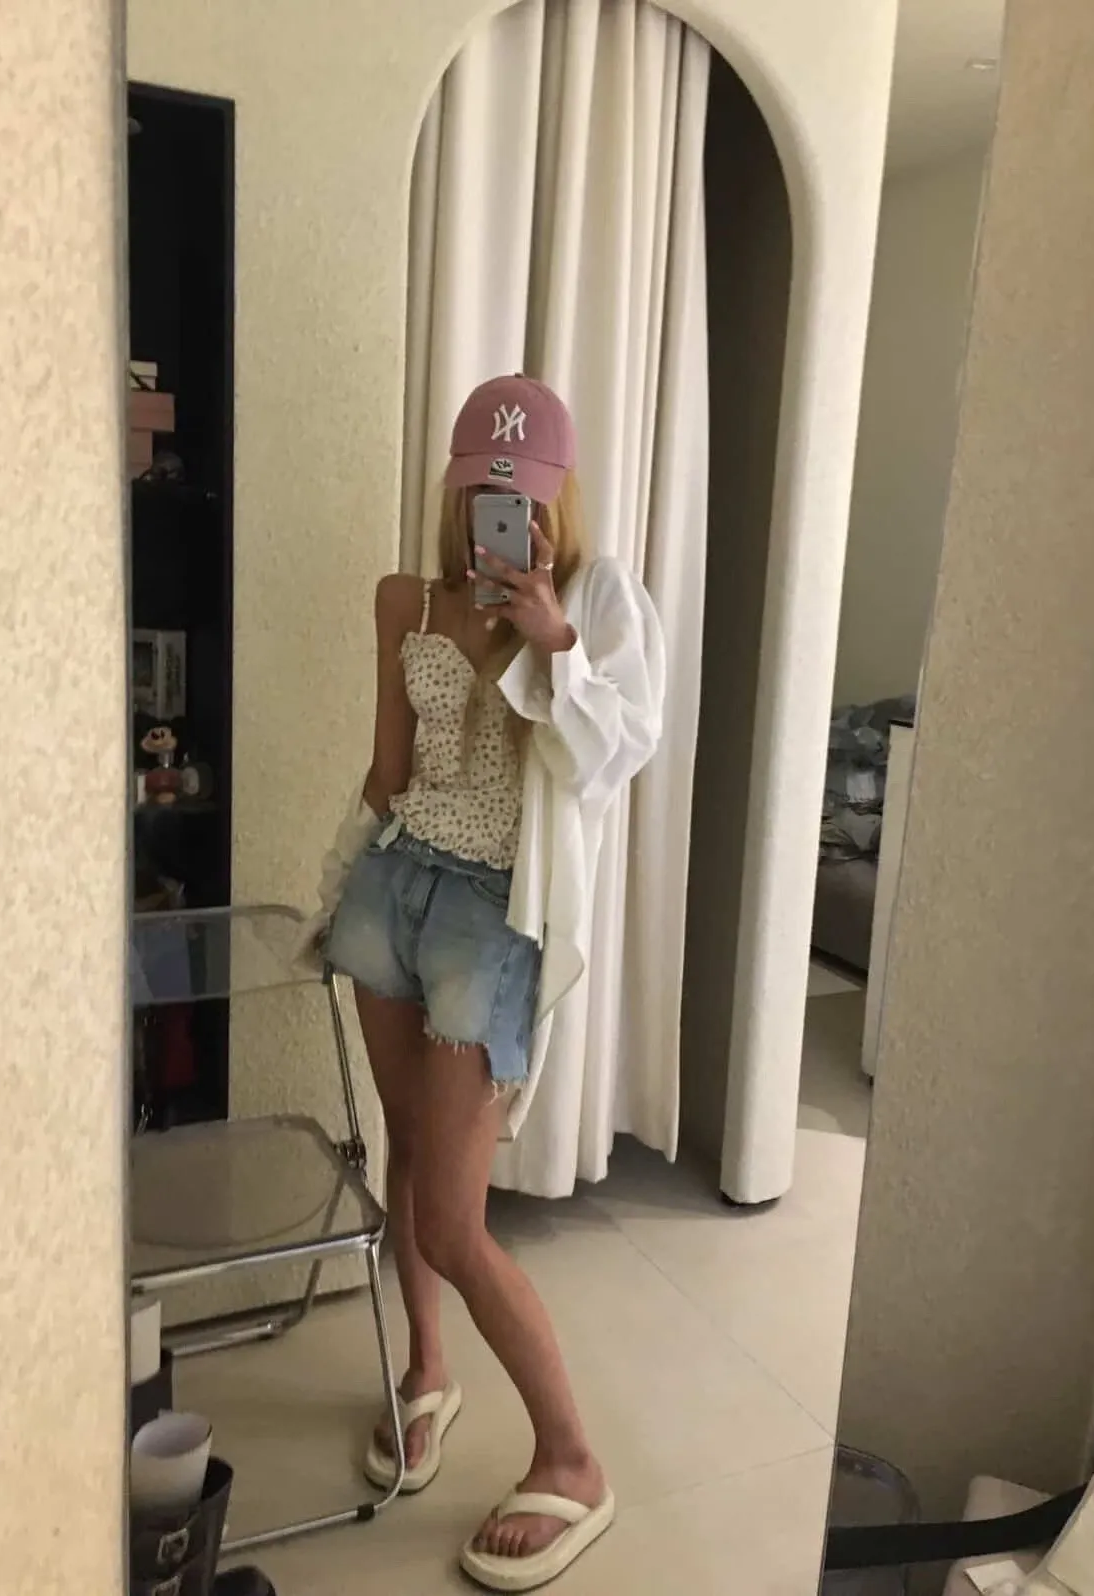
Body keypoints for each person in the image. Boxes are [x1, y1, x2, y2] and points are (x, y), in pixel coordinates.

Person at [301, 374, 665, 1591]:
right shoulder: (404, 598)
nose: (500, 514)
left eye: (523, 495)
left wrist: (553, 639)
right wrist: (332, 886)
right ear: (455, 486)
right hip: (392, 891)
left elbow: (617, 754)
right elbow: (387, 771)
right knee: (406, 1151)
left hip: (489, 920)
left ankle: (573, 1459)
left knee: (455, 1222)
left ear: (556, 499)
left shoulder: (593, 604)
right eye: (481, 490)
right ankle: (428, 1371)